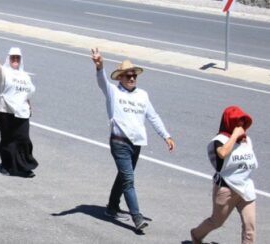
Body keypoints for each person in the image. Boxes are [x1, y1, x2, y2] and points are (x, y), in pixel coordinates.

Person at [90, 48, 176, 232]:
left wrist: (166, 135)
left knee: (124, 176)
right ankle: (137, 218)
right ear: (120, 78)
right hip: (119, 142)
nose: (131, 78)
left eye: (133, 75)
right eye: (127, 76)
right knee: (129, 180)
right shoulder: (113, 92)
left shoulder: (142, 95)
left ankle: (112, 207)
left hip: (136, 143)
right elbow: (101, 82)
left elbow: (153, 116)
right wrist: (99, 66)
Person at [191, 106, 257, 244]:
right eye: (238, 122)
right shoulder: (219, 140)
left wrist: (240, 137)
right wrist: (234, 136)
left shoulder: (246, 140)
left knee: (249, 227)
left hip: (246, 187)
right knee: (217, 221)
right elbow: (222, 153)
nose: (241, 125)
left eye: (243, 122)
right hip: (227, 188)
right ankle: (196, 234)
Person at [0, 34, 38, 178]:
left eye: (18, 58)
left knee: (24, 139)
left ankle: (24, 166)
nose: (15, 60)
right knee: (7, 139)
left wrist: (29, 105)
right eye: (13, 57)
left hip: (22, 111)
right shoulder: (3, 72)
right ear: (9, 58)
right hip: (5, 110)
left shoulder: (25, 76)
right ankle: (6, 165)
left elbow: (26, 93)